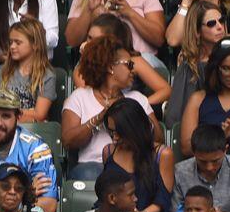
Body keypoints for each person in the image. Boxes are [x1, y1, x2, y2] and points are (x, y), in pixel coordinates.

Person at [63, 35, 159, 182]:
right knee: (89, 174)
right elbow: (69, 141)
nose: (133, 71)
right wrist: (99, 118)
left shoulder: (137, 99)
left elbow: (159, 139)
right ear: (110, 67)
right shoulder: (80, 97)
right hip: (93, 167)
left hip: (132, 164)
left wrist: (134, 115)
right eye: (129, 65)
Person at [104, 98, 176, 212]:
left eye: (119, 132)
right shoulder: (108, 151)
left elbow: (163, 198)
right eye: (112, 132)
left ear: (133, 129)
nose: (114, 138)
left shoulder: (162, 154)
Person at [72, 17, 174, 109]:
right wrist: (88, 60)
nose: (90, 44)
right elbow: (89, 98)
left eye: (97, 40)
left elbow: (166, 90)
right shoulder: (80, 69)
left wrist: (139, 106)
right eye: (89, 38)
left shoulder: (132, 61)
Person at [167, 3, 230, 130]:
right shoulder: (188, 67)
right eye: (211, 24)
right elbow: (174, 117)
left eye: (221, 21)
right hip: (201, 136)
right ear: (197, 32)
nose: (220, 27)